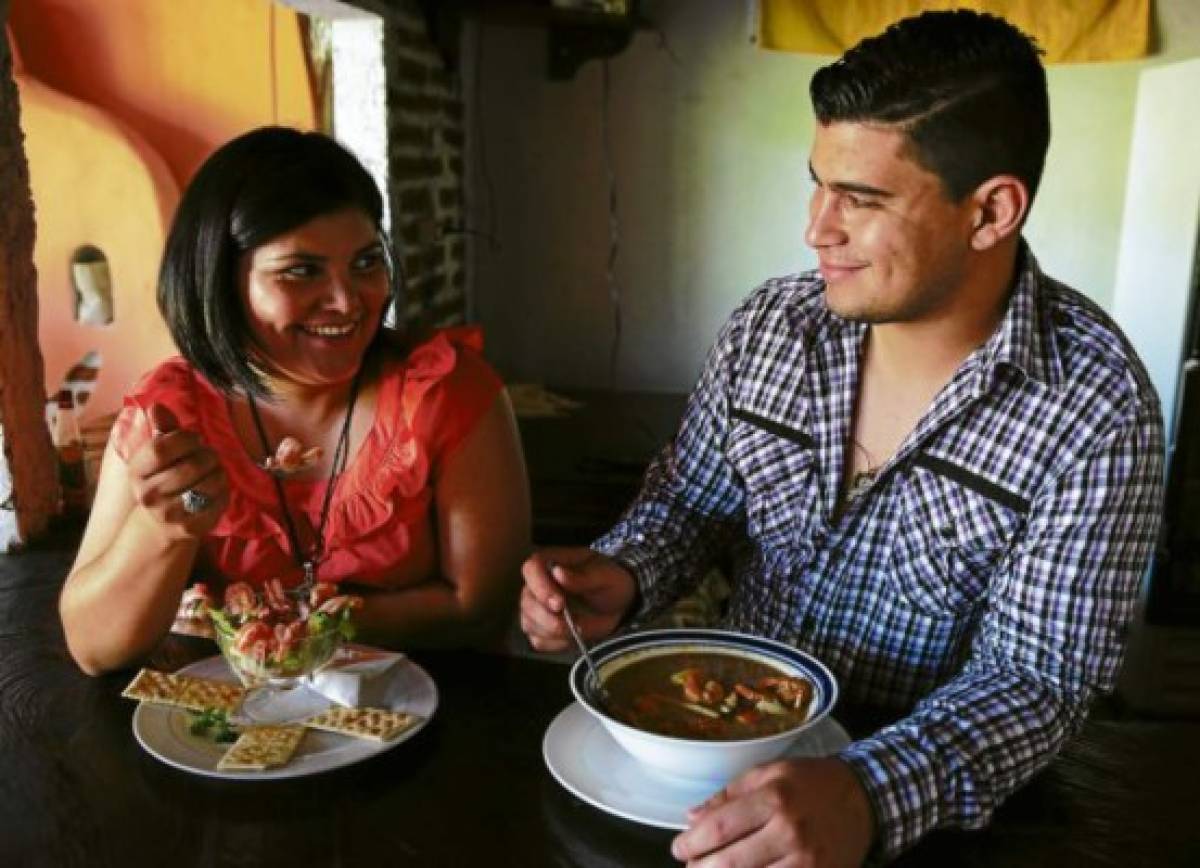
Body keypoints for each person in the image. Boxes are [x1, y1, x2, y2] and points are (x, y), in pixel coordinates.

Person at [520, 10, 1164, 866]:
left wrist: (869, 791)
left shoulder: (1095, 405)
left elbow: (1038, 680)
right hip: (699, 767)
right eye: (819, 183)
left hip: (929, 822)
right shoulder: (773, 328)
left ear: (992, 211)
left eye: (860, 200)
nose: (816, 228)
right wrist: (626, 570)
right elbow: (691, 501)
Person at [61, 126, 530, 675]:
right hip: (228, 739)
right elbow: (93, 650)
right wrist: (163, 532)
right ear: (220, 281)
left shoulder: (445, 393)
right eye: (301, 271)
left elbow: (478, 607)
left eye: (364, 263)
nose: (346, 302)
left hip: (436, 717)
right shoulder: (172, 416)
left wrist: (274, 624)